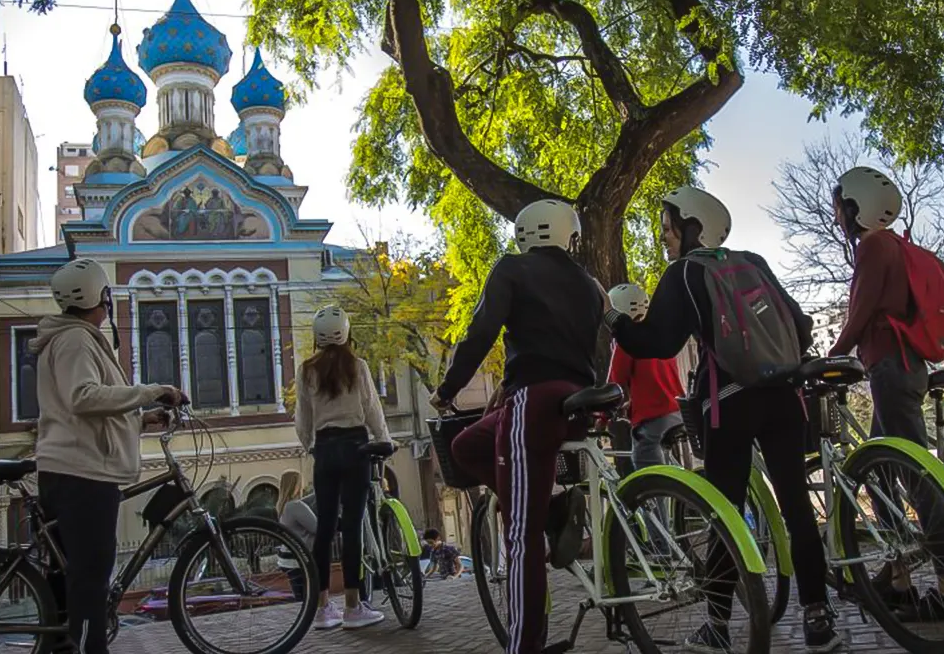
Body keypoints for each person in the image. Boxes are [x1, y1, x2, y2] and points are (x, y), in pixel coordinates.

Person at [602, 187, 840, 653]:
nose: (663, 233)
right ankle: (817, 618)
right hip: (785, 399)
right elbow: (800, 323)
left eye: (668, 223)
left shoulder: (683, 273)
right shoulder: (752, 261)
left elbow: (659, 342)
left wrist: (613, 319)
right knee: (796, 507)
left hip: (729, 402)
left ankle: (716, 626)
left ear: (692, 225)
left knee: (724, 515)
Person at [431, 199, 604, 654]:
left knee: (521, 535)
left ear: (525, 236)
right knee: (467, 446)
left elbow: (480, 331)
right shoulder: (589, 284)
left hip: (535, 403)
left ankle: (524, 646)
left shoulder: (511, 269)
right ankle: (552, 508)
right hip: (574, 403)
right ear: (569, 235)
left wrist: (448, 389)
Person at [828, 165, 944, 620]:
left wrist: (829, 360)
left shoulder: (872, 246)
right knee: (882, 473)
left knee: (916, 475)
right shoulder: (894, 245)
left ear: (855, 207)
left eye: (839, 208)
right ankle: (900, 579)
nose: (836, 217)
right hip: (902, 367)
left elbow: (861, 312)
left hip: (891, 367)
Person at [33, 258, 186, 654]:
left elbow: (86, 412)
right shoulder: (76, 340)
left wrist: (142, 419)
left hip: (73, 468)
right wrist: (152, 390)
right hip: (82, 475)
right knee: (90, 580)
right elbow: (84, 398)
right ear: (101, 297)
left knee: (70, 580)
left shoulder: (74, 338)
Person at [294, 306, 392, 631]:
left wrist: (311, 446)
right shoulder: (358, 366)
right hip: (356, 447)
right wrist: (384, 439)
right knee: (352, 526)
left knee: (324, 528)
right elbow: (371, 408)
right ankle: (353, 606)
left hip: (325, 449)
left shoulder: (306, 370)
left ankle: (322, 608)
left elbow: (303, 418)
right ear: (347, 332)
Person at [606, 283, 686, 470]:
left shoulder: (627, 340)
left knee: (647, 469)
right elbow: (655, 379)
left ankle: (657, 497)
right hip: (676, 412)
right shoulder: (657, 335)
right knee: (668, 467)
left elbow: (615, 384)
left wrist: (602, 416)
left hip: (653, 418)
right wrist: (632, 406)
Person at [276, 470, 316, 601]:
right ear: (296, 485)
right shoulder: (295, 506)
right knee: (309, 597)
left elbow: (307, 501)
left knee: (301, 597)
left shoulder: (283, 506)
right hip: (298, 561)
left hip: (287, 559)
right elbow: (317, 527)